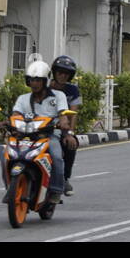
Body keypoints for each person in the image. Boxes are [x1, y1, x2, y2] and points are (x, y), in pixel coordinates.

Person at [10, 60, 69, 203]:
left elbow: (63, 113)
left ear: (45, 81)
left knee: (56, 157)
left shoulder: (58, 96)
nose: (34, 83)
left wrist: (63, 120)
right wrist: (8, 122)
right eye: (31, 80)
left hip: (48, 136)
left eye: (38, 80)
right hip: (25, 136)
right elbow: (16, 114)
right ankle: (10, 187)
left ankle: (56, 190)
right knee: (5, 156)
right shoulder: (23, 99)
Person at [49, 55, 83, 196]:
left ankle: (64, 178)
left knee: (71, 144)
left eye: (66, 73)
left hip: (61, 127)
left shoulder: (72, 90)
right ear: (54, 72)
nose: (63, 76)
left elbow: (73, 113)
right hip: (40, 125)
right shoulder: (44, 87)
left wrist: (69, 133)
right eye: (60, 72)